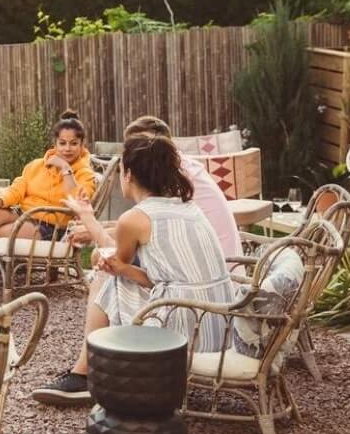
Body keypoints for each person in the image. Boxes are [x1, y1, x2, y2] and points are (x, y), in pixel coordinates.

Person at [32, 135, 235, 406]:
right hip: (218, 325)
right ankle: (90, 371)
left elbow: (110, 258)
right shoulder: (188, 207)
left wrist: (87, 216)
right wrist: (111, 254)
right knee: (112, 273)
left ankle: (84, 375)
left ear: (128, 175)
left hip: (185, 329)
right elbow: (153, 277)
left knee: (103, 276)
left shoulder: (135, 218)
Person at [0, 110, 97, 285]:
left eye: (73, 143)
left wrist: (65, 168)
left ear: (82, 144)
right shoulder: (36, 166)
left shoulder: (85, 174)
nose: (67, 148)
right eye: (62, 143)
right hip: (24, 214)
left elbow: (76, 202)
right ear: (54, 144)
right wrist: (0, 200)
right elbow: (18, 188)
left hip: (50, 227)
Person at [67, 115, 241, 260]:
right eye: (131, 146)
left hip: (213, 266)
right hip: (215, 264)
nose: (135, 153)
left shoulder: (173, 176)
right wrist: (99, 225)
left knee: (103, 256)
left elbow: (141, 230)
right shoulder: (180, 167)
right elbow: (143, 225)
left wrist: (92, 230)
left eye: (141, 144)